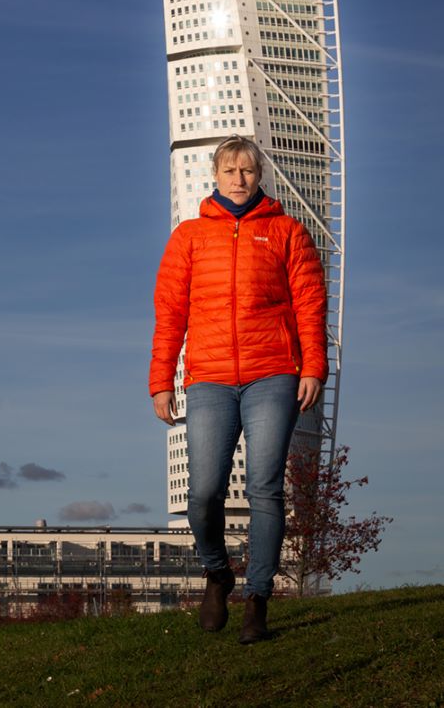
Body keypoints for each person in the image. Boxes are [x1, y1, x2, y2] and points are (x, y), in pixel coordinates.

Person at [149, 135, 327, 643]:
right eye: (230, 171)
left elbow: (310, 304)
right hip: (209, 378)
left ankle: (257, 599)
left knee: (265, 488)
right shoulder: (188, 237)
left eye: (247, 170)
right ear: (215, 175)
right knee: (203, 492)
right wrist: (161, 381)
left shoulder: (287, 232)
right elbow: (170, 317)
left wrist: (313, 366)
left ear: (259, 175)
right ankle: (217, 572)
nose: (239, 179)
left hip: (274, 372)